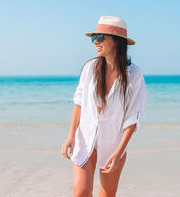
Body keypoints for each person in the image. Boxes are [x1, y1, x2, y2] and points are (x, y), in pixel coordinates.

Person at [61, 16, 147, 197]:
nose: (96, 42)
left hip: (113, 144)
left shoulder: (134, 75)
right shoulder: (90, 68)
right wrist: (70, 136)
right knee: (81, 193)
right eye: (94, 38)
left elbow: (133, 118)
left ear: (116, 41)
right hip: (85, 140)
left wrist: (119, 151)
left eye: (100, 37)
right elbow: (79, 103)